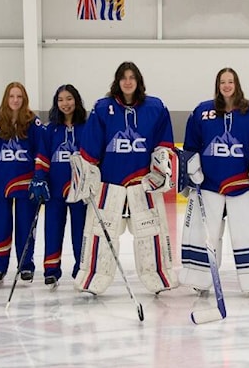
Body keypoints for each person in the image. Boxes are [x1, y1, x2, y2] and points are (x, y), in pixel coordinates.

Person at [70, 61, 177, 295]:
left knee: (151, 234)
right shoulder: (103, 108)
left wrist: (159, 170)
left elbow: (163, 145)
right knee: (101, 234)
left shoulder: (155, 107)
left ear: (138, 81)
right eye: (123, 77)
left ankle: (158, 277)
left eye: (132, 77)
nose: (128, 82)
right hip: (110, 185)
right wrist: (88, 178)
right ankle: (93, 278)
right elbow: (90, 149)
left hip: (143, 185)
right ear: (117, 82)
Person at [179, 69, 249, 294]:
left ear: (237, 84)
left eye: (230, 81)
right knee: (203, 232)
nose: (226, 86)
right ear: (217, 85)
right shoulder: (202, 111)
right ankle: (199, 278)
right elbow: (190, 145)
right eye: (222, 82)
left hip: (242, 185)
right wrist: (191, 166)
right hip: (208, 184)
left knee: (248, 233)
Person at [0, 82, 44, 283]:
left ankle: (25, 265)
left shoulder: (34, 124)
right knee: (0, 226)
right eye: (12, 96)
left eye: (19, 97)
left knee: (25, 226)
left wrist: (39, 178)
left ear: (24, 100)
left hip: (25, 184)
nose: (15, 100)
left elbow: (41, 153)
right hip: (0, 184)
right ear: (6, 99)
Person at [37, 84, 88, 285]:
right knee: (52, 230)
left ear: (76, 100)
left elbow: (94, 156)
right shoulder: (50, 129)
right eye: (60, 100)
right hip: (55, 189)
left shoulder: (88, 126)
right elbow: (42, 156)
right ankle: (51, 269)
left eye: (69, 99)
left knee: (81, 232)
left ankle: (81, 269)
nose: (65, 103)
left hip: (80, 191)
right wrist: (40, 178)